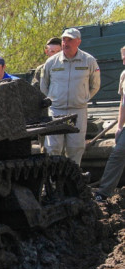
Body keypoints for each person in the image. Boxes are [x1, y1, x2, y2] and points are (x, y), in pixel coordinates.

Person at [40, 28, 100, 166]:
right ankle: (53, 182)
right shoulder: (51, 62)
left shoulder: (89, 61)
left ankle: (72, 184)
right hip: (56, 111)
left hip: (77, 112)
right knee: (53, 148)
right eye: (64, 40)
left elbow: (95, 85)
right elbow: (44, 86)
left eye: (70, 40)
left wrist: (83, 99)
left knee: (75, 148)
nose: (66, 43)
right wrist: (53, 100)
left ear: (78, 42)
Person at [94, 46, 125, 202]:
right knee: (117, 155)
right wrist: (119, 126)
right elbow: (123, 102)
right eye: (124, 59)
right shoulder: (124, 75)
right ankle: (104, 192)